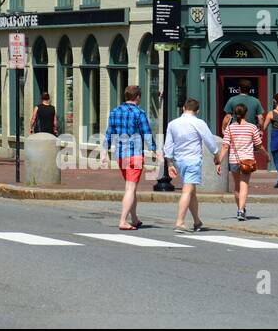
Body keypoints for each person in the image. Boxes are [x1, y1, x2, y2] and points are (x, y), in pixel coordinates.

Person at [162, 98, 222, 232]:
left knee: (191, 192)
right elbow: (210, 141)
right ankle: (180, 221)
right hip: (193, 159)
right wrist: (216, 156)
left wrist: (169, 163)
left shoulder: (173, 123)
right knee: (187, 190)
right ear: (197, 110)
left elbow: (168, 145)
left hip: (179, 160)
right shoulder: (199, 123)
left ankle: (197, 221)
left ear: (183, 108)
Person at [104, 84, 155, 231]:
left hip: (120, 155)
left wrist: (103, 151)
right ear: (138, 97)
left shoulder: (115, 111)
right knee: (130, 188)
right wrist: (154, 149)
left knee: (131, 187)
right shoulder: (139, 113)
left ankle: (134, 218)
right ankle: (123, 220)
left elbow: (109, 133)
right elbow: (147, 133)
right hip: (135, 154)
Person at [219, 102, 265, 221]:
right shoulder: (252, 127)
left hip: (234, 160)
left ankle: (240, 208)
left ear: (234, 114)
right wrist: (266, 155)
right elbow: (259, 145)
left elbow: (225, 146)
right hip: (247, 160)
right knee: (244, 185)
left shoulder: (230, 128)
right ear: (246, 113)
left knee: (236, 186)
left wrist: (219, 161)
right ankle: (241, 210)